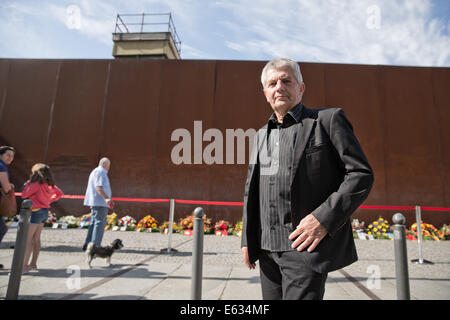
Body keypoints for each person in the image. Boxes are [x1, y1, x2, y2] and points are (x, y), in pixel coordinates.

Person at [241, 58, 374, 300]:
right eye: (272, 83)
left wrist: (323, 219)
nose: (279, 87)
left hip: (303, 249)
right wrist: (247, 239)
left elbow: (360, 174)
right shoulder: (261, 135)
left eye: (286, 81)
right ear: (265, 93)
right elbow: (253, 190)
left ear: (301, 88)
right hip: (266, 251)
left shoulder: (328, 120)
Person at [21, 163, 64, 273]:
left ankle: (24, 266)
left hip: (35, 211)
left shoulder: (35, 184)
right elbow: (59, 193)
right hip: (45, 211)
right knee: (36, 239)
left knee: (28, 239)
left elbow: (24, 195)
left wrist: (28, 183)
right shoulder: (50, 184)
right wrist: (48, 200)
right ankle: (33, 263)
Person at [82, 157, 112, 250]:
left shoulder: (96, 171)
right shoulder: (101, 172)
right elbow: (98, 187)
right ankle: (95, 246)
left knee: (94, 223)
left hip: (96, 202)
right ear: (105, 164)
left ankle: (88, 244)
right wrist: (107, 198)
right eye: (109, 166)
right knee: (99, 224)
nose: (108, 168)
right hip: (100, 202)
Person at [0, 146, 16, 269]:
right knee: (2, 229)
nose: (10, 158)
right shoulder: (1, 166)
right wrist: (10, 186)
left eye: (12, 156)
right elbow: (6, 188)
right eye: (8, 155)